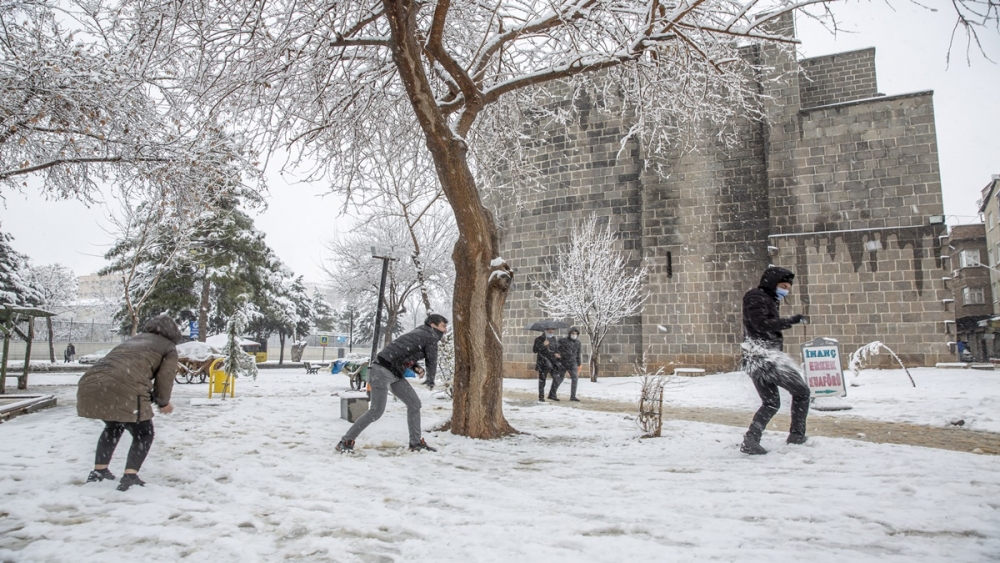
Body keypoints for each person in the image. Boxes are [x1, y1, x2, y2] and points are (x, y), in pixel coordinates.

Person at [76, 315, 181, 490]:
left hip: (92, 382)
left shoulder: (134, 340)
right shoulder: (168, 347)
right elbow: (165, 378)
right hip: (126, 386)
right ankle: (130, 476)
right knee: (144, 433)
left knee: (113, 426)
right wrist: (163, 402)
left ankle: (99, 472)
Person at [336, 314, 448, 454]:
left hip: (394, 372)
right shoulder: (430, 336)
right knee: (376, 411)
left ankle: (415, 443)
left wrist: (415, 368)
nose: (445, 330)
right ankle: (345, 441)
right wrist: (431, 378)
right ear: (433, 325)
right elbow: (432, 360)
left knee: (414, 404)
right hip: (382, 371)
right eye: (443, 326)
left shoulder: (419, 333)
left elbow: (403, 354)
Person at [739, 266, 810, 455]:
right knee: (802, 392)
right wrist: (791, 321)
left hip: (758, 357)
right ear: (773, 283)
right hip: (765, 358)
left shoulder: (766, 299)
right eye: (783, 286)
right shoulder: (757, 297)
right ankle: (797, 435)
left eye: (788, 288)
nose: (786, 291)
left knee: (771, 402)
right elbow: (761, 324)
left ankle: (751, 439)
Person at [533, 327, 561, 401]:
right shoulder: (539, 339)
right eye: (550, 332)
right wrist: (543, 344)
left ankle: (552, 394)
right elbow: (535, 350)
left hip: (553, 361)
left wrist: (557, 354)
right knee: (542, 380)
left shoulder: (553, 339)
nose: (551, 333)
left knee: (556, 378)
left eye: (552, 332)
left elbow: (556, 348)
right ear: (546, 331)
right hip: (543, 362)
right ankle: (541, 396)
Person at [557, 327, 583, 402]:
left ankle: (573, 396)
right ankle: (552, 393)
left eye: (575, 334)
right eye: (572, 333)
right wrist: (558, 356)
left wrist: (579, 363)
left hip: (573, 363)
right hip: (563, 362)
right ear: (569, 333)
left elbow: (578, 354)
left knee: (575, 378)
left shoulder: (578, 343)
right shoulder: (563, 340)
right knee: (560, 378)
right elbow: (556, 348)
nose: (574, 335)